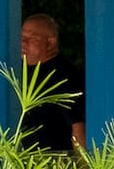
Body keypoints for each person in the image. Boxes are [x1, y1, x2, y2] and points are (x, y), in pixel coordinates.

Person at [19, 13, 86, 153]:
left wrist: (82, 161)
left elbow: (78, 126)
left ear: (50, 43)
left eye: (32, 39)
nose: (23, 43)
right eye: (21, 37)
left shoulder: (64, 74)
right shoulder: (18, 71)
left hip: (55, 158)